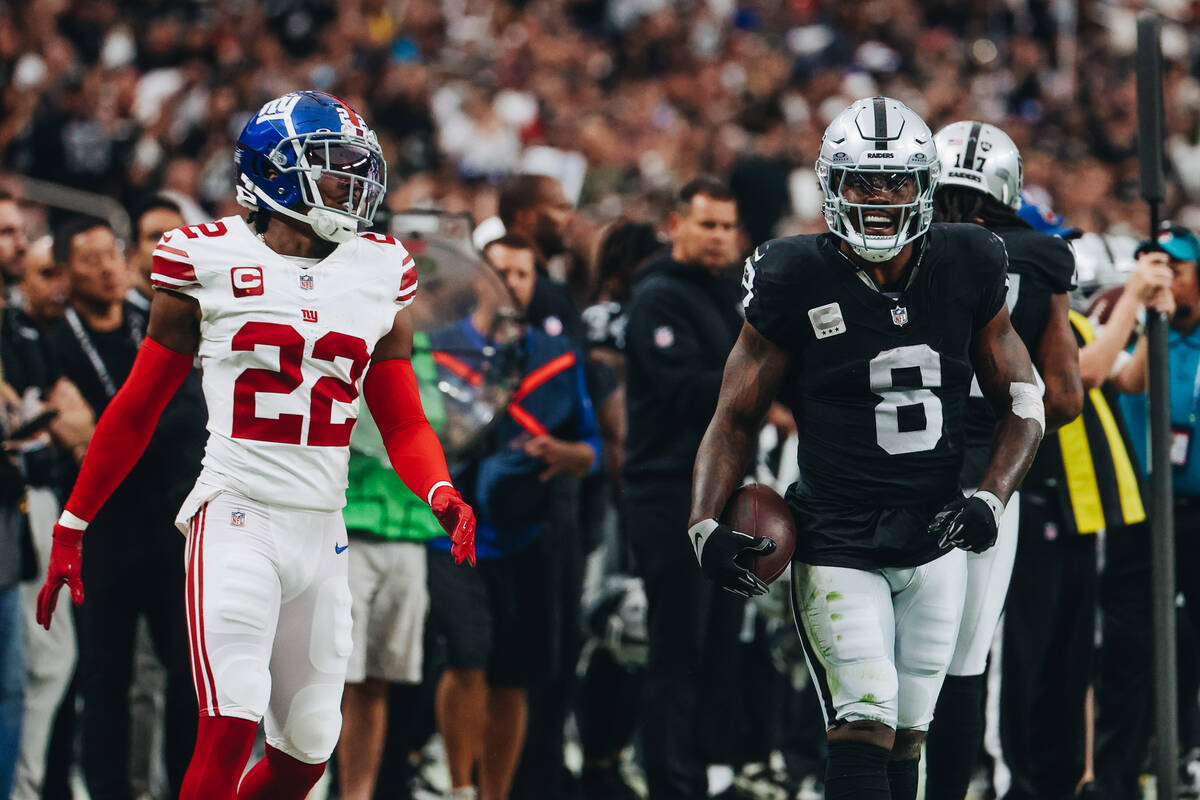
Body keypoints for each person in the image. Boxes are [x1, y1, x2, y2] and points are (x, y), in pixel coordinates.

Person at [34, 90, 477, 800]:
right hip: (236, 513)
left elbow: (401, 417)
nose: (349, 186)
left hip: (322, 526)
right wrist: (73, 523)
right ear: (274, 173)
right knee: (230, 723)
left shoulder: (380, 267)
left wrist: (439, 489)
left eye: (354, 169)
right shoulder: (203, 258)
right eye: (332, 169)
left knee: (306, 756)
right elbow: (137, 406)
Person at [689, 97, 1044, 800]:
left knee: (909, 730)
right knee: (863, 719)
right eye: (860, 181)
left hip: (935, 533)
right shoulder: (794, 272)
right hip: (836, 537)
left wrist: (990, 496)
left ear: (925, 188)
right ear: (830, 185)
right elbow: (734, 417)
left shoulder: (970, 259)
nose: (878, 198)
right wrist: (704, 522)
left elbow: (1026, 402)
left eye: (896, 182)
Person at [923, 121, 1083, 800]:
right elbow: (1065, 395)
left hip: (886, 471)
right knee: (964, 660)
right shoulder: (1043, 257)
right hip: (989, 481)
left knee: (885, 663)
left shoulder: (899, 247)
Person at [427, 233, 600, 800]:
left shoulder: (557, 359)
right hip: (452, 534)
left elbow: (591, 448)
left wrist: (562, 454)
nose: (512, 283)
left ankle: (495, 792)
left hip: (527, 531)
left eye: (524, 273)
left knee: (513, 672)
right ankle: (458, 786)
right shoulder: (441, 350)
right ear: (480, 278)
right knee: (469, 656)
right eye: (501, 270)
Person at [40, 215, 204, 800]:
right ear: (65, 271)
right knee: (104, 674)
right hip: (100, 533)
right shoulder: (57, 341)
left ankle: (183, 788)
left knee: (188, 675)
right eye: (91, 260)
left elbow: (188, 415)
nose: (109, 268)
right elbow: (68, 435)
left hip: (166, 525)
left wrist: (110, 428)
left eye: (112, 254)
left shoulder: (153, 321)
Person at [622, 175, 745, 799]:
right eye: (707, 224)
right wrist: (759, 394)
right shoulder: (657, 297)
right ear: (677, 224)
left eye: (727, 226)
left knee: (718, 642)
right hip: (666, 488)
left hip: (720, 490)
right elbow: (687, 390)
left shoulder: (728, 294)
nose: (719, 237)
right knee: (676, 644)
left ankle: (705, 773)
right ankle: (669, 780)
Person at [1097, 225, 1200, 799]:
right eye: (1152, 265)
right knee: (1129, 651)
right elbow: (1128, 380)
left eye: (1176, 267)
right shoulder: (1135, 325)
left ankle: (1188, 756)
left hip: (1198, 511)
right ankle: (1116, 781)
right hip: (1142, 514)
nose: (1163, 275)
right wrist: (1147, 311)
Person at [336, 336, 445, 800]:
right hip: (346, 526)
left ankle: (356, 795)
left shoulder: (421, 348)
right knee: (329, 677)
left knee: (376, 679)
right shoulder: (341, 331)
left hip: (408, 528)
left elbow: (438, 425)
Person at [127, 196, 187, 311]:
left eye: (177, 235)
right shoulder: (118, 317)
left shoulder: (205, 311)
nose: (169, 245)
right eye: (155, 236)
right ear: (134, 253)